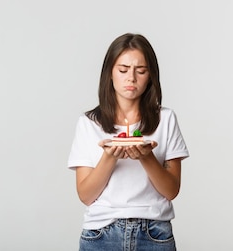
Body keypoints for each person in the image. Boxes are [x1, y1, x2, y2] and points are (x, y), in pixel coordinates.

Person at [67, 33, 189, 251]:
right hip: (101, 234)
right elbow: (86, 196)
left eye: (141, 71)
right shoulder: (88, 123)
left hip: (154, 234)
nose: (131, 78)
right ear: (110, 74)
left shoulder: (166, 119)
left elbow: (171, 191)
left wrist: (146, 157)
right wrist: (109, 157)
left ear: (151, 76)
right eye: (123, 70)